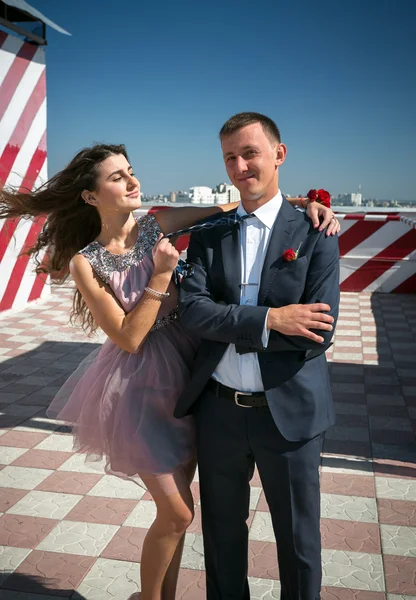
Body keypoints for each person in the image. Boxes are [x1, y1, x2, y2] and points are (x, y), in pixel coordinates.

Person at [0, 142, 339, 600]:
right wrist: (161, 277)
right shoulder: (86, 262)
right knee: (178, 512)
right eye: (117, 177)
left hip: (191, 379)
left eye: (131, 171)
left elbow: (229, 206)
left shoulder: (154, 225)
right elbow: (127, 337)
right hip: (139, 389)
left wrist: (296, 204)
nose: (132, 180)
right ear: (89, 196)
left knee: (178, 517)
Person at [175, 112, 340, 600]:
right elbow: (194, 313)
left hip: (288, 413)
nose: (240, 165)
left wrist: (241, 321)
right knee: (221, 541)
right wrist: (270, 319)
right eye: (230, 157)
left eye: (250, 153)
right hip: (219, 411)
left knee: (298, 543)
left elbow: (317, 333)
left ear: (278, 154)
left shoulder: (315, 232)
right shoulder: (208, 235)